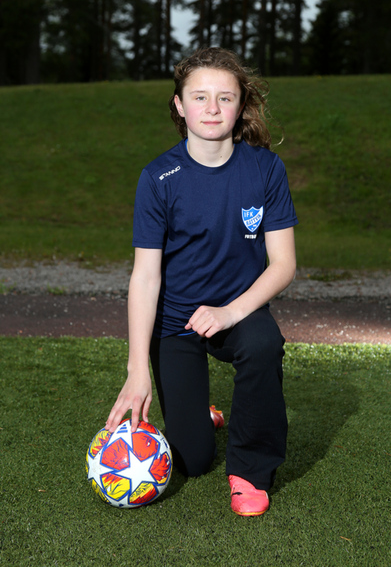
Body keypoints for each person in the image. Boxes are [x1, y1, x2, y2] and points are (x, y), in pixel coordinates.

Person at [106, 47, 298, 517]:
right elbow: (145, 276)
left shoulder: (265, 169)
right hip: (176, 323)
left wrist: (231, 312)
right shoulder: (158, 178)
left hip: (238, 311)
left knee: (263, 343)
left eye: (225, 97)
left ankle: (251, 472)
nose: (212, 108)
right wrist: (136, 368)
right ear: (179, 105)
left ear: (240, 104)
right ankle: (199, 415)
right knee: (191, 459)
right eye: (199, 97)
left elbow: (283, 265)